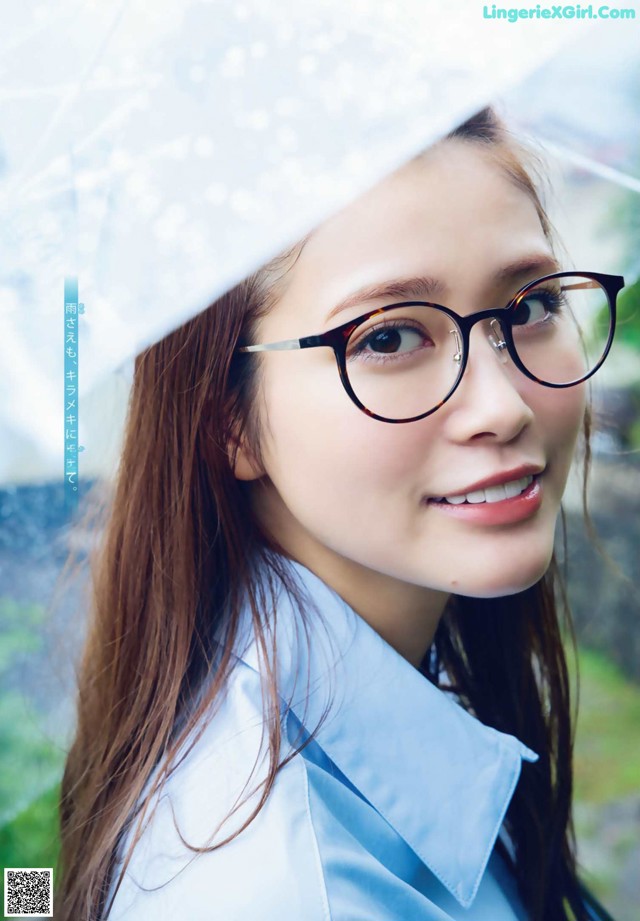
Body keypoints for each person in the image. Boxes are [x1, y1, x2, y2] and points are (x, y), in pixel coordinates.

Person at [55, 105, 624, 921]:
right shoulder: (289, 889)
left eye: (530, 308)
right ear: (227, 421)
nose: (502, 406)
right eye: (389, 339)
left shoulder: (403, 678)